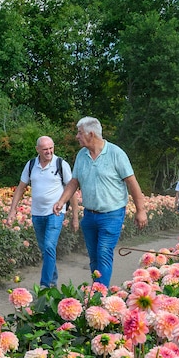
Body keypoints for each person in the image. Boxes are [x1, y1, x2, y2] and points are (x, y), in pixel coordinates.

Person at [52, 116, 148, 287]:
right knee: (94, 257)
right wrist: (61, 201)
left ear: (90, 134)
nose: (77, 136)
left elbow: (132, 183)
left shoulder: (116, 154)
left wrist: (141, 210)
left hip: (112, 214)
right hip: (89, 215)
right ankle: (98, 289)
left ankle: (100, 294)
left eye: (79, 133)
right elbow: (74, 182)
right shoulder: (82, 155)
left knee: (103, 252)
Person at [7, 135, 76, 288]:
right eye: (45, 149)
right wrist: (12, 211)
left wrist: (75, 217)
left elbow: (72, 189)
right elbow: (21, 187)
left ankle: (45, 285)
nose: (48, 151)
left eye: (51, 148)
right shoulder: (31, 165)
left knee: (49, 246)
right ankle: (53, 281)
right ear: (38, 149)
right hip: (37, 213)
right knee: (45, 250)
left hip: (55, 213)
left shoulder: (60, 164)